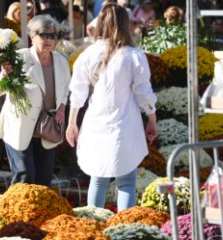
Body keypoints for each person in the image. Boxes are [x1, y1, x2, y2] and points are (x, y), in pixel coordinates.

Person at [66, 3, 157, 211]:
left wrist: (72, 123)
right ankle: (124, 229)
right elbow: (144, 93)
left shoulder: (87, 54)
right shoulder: (133, 55)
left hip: (96, 122)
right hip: (125, 122)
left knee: (98, 179)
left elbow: (77, 93)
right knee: (126, 182)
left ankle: (94, 226)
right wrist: (152, 120)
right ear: (126, 24)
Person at [0, 15, 70, 187]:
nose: (50, 39)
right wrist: (6, 75)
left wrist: (62, 107)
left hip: (47, 126)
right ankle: (17, 212)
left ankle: (40, 214)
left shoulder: (61, 61)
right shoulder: (20, 58)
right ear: (32, 36)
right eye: (45, 35)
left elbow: (66, 88)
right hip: (20, 125)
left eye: (53, 35)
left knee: (43, 180)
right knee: (25, 175)